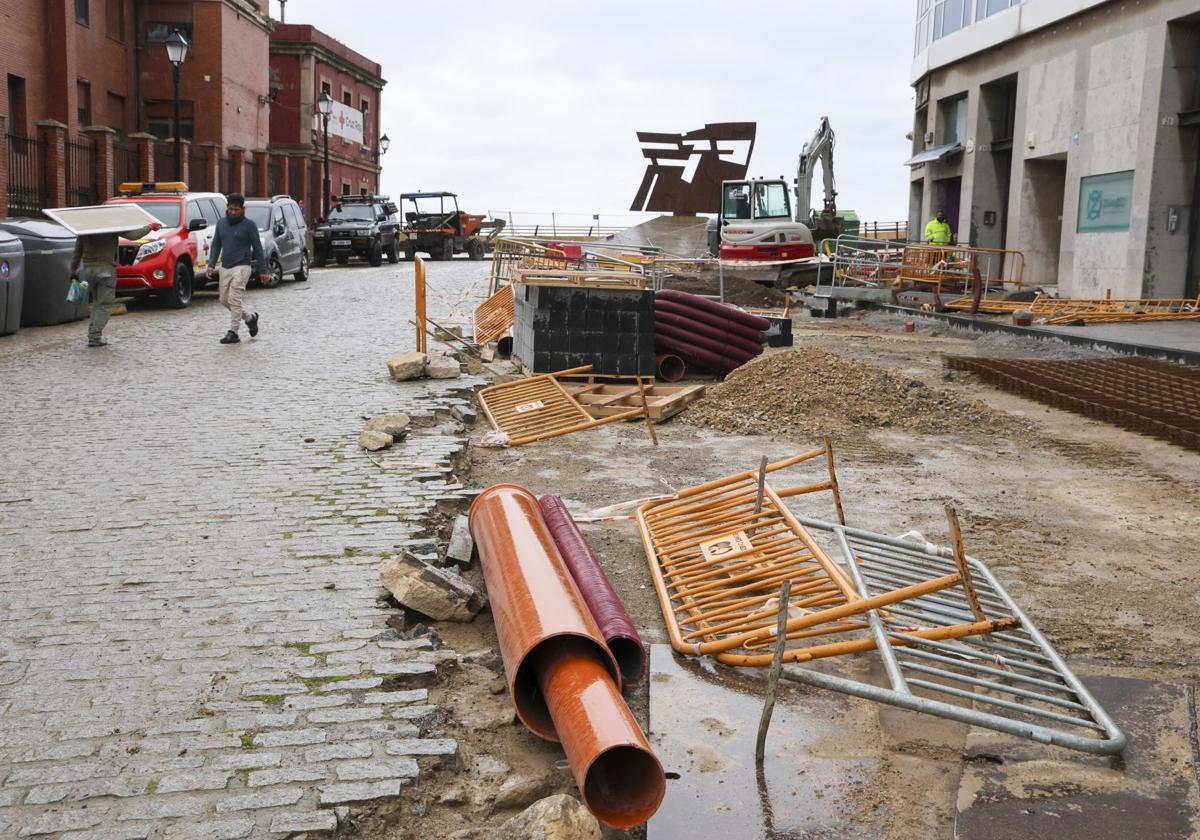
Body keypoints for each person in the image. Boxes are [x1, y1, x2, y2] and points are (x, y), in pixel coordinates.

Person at [70, 220, 160, 347]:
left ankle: (93, 334)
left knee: (96, 302)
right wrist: (150, 227)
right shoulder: (110, 227)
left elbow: (76, 253)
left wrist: (73, 270)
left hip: (87, 272)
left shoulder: (84, 230)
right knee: (104, 304)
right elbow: (134, 235)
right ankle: (95, 337)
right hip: (105, 271)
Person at [206, 193, 266, 344]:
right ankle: (250, 318)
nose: (233, 212)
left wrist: (263, 270)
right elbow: (215, 245)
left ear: (243, 209)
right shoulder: (221, 224)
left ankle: (233, 332)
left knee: (234, 299)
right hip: (225, 267)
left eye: (237, 209)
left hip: (242, 266)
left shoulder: (249, 225)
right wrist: (211, 264)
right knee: (224, 300)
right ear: (227, 207)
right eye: (231, 209)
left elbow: (258, 248)